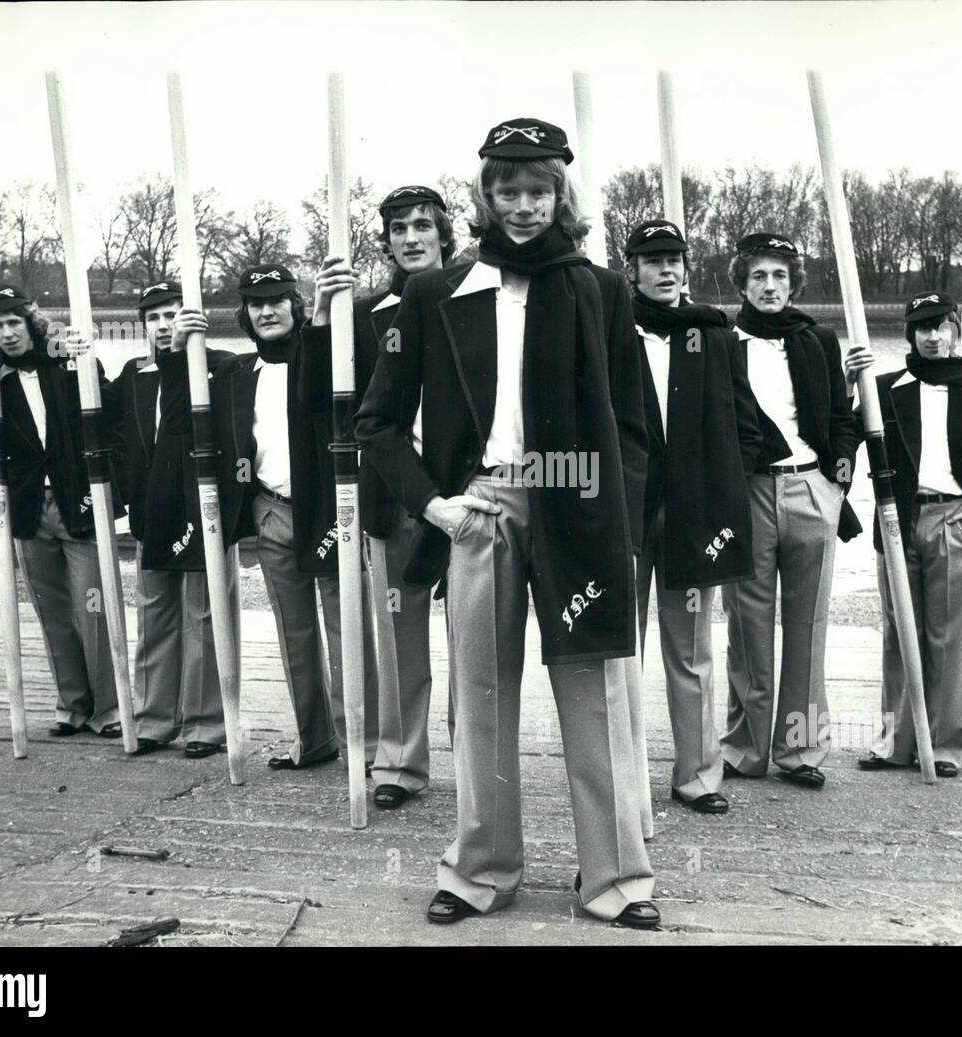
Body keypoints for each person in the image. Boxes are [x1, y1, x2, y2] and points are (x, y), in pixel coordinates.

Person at [356, 117, 659, 928]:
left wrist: (620, 523)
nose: (523, 206)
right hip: (481, 507)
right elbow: (377, 423)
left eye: (539, 190)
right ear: (485, 197)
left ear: (563, 194)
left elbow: (633, 428)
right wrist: (436, 504)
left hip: (580, 505)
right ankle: (481, 869)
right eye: (507, 191)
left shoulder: (600, 289)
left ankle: (617, 878)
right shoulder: (434, 292)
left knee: (594, 695)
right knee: (482, 694)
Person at [298, 185, 454, 809]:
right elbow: (317, 401)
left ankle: (476, 757)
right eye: (398, 229)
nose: (411, 238)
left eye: (423, 226)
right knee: (398, 638)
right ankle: (400, 763)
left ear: (444, 232)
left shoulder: (478, 299)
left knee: (477, 640)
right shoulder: (362, 315)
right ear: (385, 241)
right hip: (395, 495)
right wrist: (319, 314)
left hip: (471, 495)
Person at [845, 290, 962, 777]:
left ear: (956, 330)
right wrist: (847, 384)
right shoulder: (885, 389)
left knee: (945, 637)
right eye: (923, 328)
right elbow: (842, 442)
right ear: (910, 335)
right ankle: (897, 743)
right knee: (898, 633)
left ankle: (947, 745)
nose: (933, 336)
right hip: (897, 521)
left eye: (942, 326)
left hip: (956, 521)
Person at [207, 263, 379, 772]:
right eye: (256, 304)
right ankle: (315, 738)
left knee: (347, 628)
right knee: (294, 632)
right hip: (270, 510)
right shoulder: (236, 374)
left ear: (295, 305)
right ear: (245, 314)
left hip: (328, 509)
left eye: (278, 300)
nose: (267, 311)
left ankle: (363, 746)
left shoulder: (324, 355)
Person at [624, 218, 761, 814]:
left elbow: (746, 425)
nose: (666, 270)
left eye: (675, 259)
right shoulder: (610, 331)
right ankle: (621, 774)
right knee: (619, 650)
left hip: (690, 520)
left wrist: (719, 485)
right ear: (632, 269)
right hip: (626, 516)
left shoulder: (715, 336)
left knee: (692, 652)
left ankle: (698, 776)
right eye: (652, 261)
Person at [0, 284, 123, 739]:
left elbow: (111, 412)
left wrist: (85, 356)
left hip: (78, 504)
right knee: (53, 612)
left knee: (94, 607)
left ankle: (109, 708)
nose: (7, 334)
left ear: (31, 320)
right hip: (28, 509)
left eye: (13, 323)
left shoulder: (65, 360)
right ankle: (73, 704)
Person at [720, 232, 859, 790]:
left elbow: (840, 418)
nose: (770, 286)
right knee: (748, 626)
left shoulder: (816, 339)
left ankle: (799, 750)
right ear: (742, 283)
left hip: (811, 490)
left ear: (794, 281)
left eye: (779, 276)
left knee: (807, 625)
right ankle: (746, 746)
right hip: (749, 490)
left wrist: (838, 477)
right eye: (759, 276)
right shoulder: (722, 341)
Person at [111, 281, 236, 759]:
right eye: (154, 318)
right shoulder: (134, 374)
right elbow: (119, 439)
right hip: (153, 508)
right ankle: (155, 717)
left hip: (202, 505)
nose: (164, 326)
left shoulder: (221, 365)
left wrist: (185, 353)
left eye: (172, 315)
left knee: (204, 614)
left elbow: (198, 423)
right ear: (143, 325)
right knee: (154, 612)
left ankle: (206, 721)